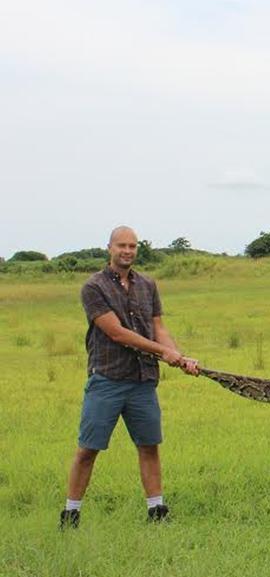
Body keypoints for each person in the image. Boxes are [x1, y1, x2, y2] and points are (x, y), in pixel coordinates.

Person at [60, 226, 200, 529]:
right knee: (88, 448)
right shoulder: (93, 287)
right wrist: (164, 353)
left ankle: (156, 511)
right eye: (121, 245)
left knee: (149, 445)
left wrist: (179, 355)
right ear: (109, 248)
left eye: (133, 246)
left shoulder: (147, 285)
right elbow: (117, 332)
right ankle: (71, 514)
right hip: (107, 378)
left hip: (142, 380)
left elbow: (158, 327)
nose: (127, 250)